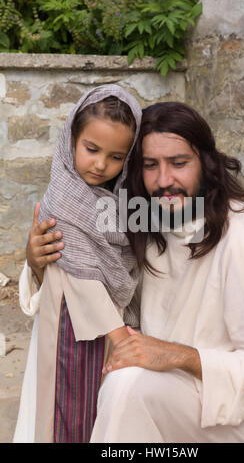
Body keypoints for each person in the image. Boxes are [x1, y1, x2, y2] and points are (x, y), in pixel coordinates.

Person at [19, 102, 244, 443]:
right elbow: (92, 281)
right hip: (166, 385)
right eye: (151, 165)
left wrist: (176, 355)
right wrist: (39, 262)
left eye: (179, 163)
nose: (165, 180)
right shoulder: (149, 221)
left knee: (126, 387)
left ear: (206, 163)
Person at [13, 84, 142, 443]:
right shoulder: (63, 198)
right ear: (71, 141)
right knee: (64, 419)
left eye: (116, 157)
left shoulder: (122, 205)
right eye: (91, 149)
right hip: (69, 329)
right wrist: (121, 336)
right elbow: (79, 274)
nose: (101, 164)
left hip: (108, 327)